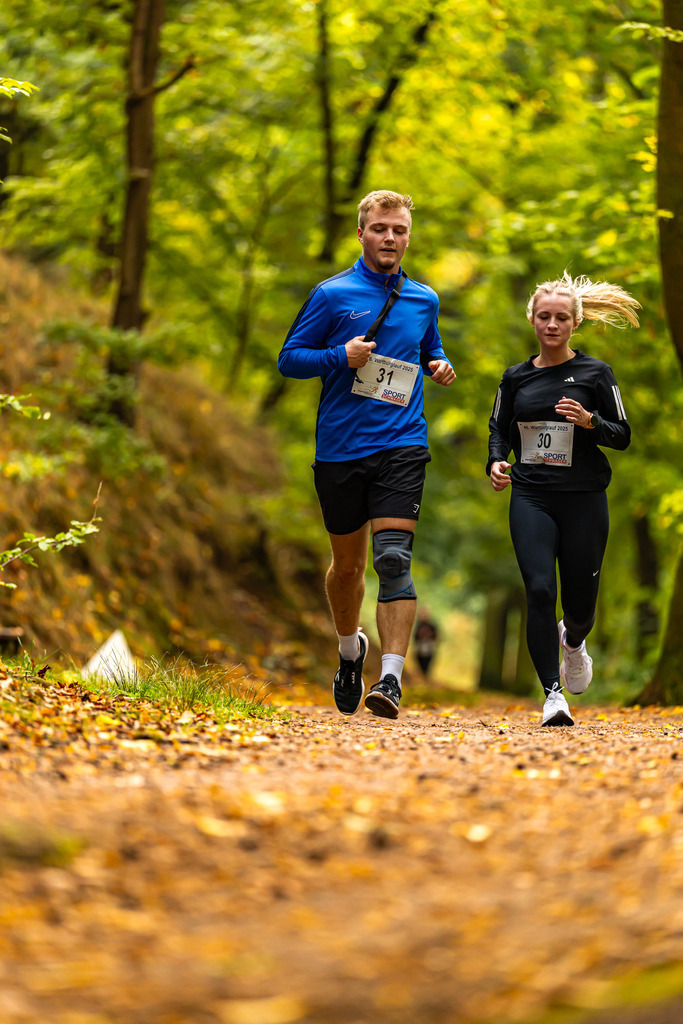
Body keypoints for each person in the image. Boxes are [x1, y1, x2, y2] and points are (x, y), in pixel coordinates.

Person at [278, 190, 455, 719]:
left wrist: (439, 364)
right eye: (380, 228)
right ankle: (350, 650)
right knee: (348, 567)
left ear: (408, 237)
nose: (390, 238)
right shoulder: (332, 295)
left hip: (402, 443)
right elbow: (290, 359)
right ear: (361, 233)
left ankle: (391, 679)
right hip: (340, 448)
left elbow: (430, 347)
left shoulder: (424, 298)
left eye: (399, 230)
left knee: (393, 559)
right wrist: (341, 355)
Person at [487, 271, 639, 727]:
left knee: (581, 607)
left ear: (575, 323)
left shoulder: (596, 374)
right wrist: (495, 461)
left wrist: (591, 421)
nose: (551, 325)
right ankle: (553, 695)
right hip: (531, 495)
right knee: (538, 590)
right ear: (532, 320)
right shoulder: (515, 378)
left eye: (560, 318)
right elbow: (498, 429)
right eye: (544, 316)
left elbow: (623, 435)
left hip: (584, 498)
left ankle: (573, 642)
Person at [413, 608, 439, 678]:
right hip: (420, 648)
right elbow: (415, 637)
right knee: (420, 663)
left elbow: (435, 635)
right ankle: (422, 675)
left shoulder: (431, 626)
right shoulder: (418, 625)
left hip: (429, 648)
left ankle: (425, 676)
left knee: (427, 664)